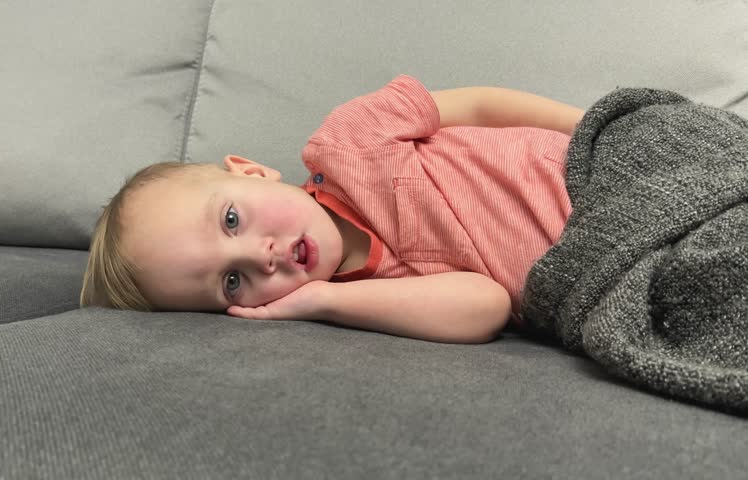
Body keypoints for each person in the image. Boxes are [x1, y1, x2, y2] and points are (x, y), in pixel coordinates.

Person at [80, 75, 584, 344]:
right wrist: (321, 302)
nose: (263, 256)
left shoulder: (350, 138)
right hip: (597, 265)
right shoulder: (366, 294)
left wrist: (589, 125)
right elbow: (486, 305)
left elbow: (479, 106)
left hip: (592, 170)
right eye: (232, 282)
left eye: (232, 220)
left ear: (251, 171)